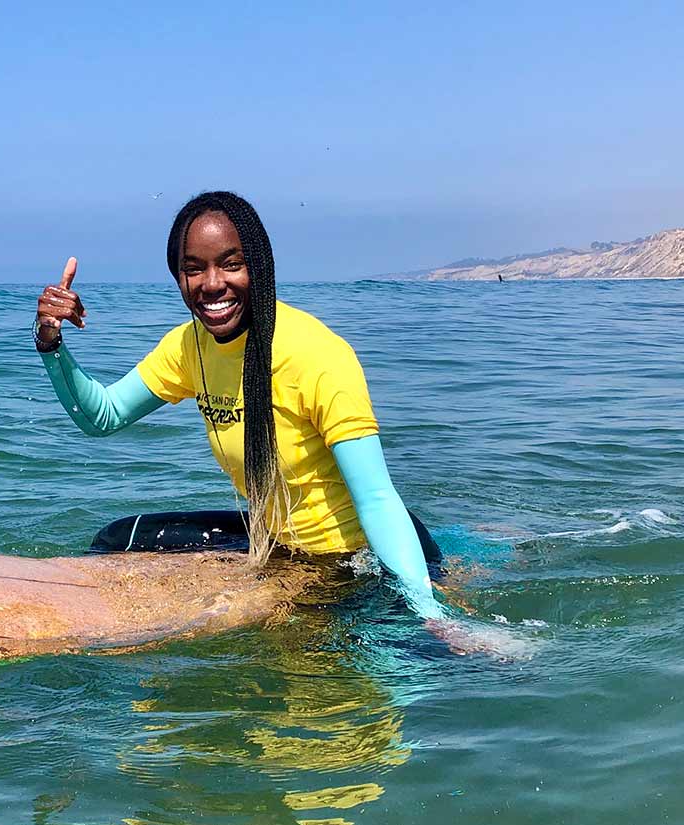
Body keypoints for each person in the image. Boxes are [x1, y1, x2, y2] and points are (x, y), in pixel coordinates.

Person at [34, 190, 515, 656]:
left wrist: (427, 612)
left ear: (258, 266)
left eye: (231, 263)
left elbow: (377, 497)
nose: (212, 283)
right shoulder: (188, 347)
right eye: (193, 268)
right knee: (119, 540)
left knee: (375, 662)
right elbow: (101, 416)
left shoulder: (315, 354)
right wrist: (51, 344)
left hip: (359, 554)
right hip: (277, 541)